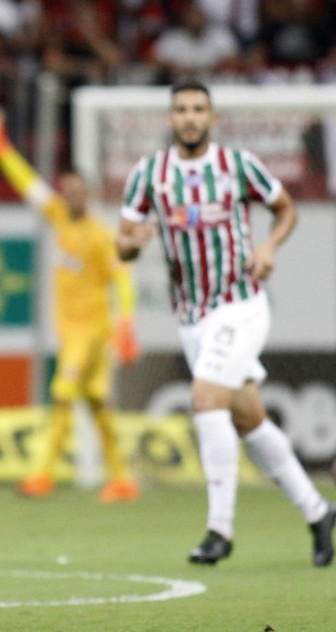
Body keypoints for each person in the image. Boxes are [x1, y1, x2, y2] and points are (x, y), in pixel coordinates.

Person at [116, 80, 336, 566]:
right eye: (181, 109)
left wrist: (269, 246)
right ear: (171, 119)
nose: (190, 117)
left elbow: (286, 210)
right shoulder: (149, 174)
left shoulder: (238, 165)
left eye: (198, 109)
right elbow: (122, 244)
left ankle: (220, 529)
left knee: (205, 397)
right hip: (191, 316)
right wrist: (135, 241)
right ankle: (318, 511)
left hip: (240, 303)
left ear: (212, 118)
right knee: (248, 420)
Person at [0, 106, 141, 503]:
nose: (71, 197)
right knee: (97, 403)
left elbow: (122, 278)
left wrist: (126, 323)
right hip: (72, 330)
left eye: (78, 191)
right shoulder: (58, 217)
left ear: (89, 194)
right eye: (66, 191)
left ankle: (42, 474)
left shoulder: (100, 236)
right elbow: (27, 181)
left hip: (92, 330)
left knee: (62, 393)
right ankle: (122, 479)